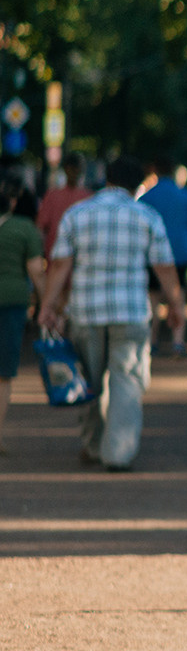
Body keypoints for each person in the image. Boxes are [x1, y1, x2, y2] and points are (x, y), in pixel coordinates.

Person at [36, 155, 187, 471]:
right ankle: (118, 453)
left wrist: (47, 306)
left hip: (86, 312)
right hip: (130, 312)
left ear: (107, 179)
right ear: (138, 184)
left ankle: (93, 446)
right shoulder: (147, 216)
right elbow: (165, 268)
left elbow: (61, 264)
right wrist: (177, 307)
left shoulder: (78, 214)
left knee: (88, 381)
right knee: (127, 380)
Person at [0, 168, 47, 455]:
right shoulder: (24, 230)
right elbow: (35, 271)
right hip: (12, 302)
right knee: (4, 373)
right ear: (12, 202)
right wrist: (47, 304)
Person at [140, 160, 187, 287]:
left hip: (155, 254)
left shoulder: (147, 197)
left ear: (154, 170)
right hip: (181, 250)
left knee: (154, 292)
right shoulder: (186, 195)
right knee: (178, 292)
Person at [36, 152, 92, 258]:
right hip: (79, 257)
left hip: (55, 257)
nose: (74, 172)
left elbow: (41, 227)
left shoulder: (52, 195)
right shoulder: (88, 197)